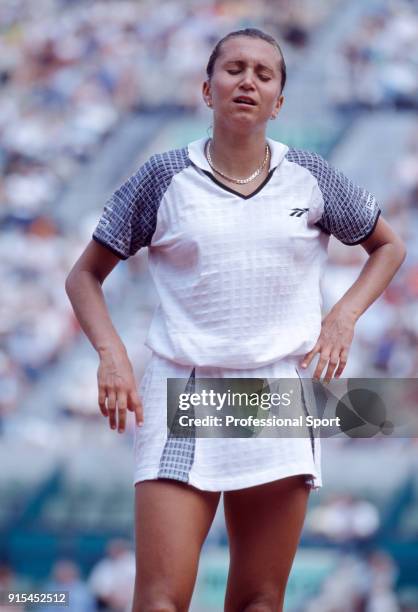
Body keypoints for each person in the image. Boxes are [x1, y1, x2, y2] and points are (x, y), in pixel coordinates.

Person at [65, 27, 406, 612]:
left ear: (279, 101)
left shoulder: (312, 175)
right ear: (206, 89)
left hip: (277, 390)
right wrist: (111, 353)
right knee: (159, 601)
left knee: (258, 601)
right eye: (234, 69)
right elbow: (83, 276)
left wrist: (344, 315)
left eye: (264, 74)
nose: (248, 80)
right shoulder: (163, 176)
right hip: (185, 388)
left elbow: (389, 247)